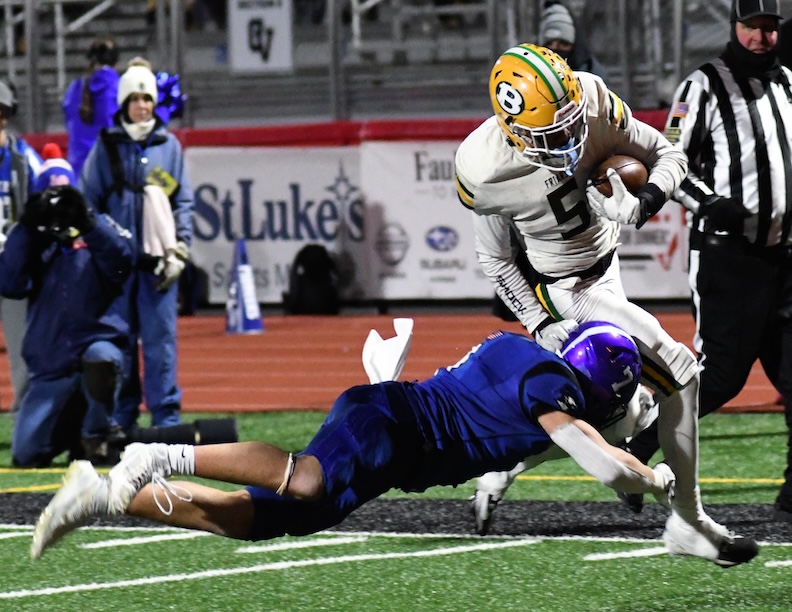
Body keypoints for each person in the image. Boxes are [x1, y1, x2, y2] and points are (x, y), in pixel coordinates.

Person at [32, 321, 745, 567]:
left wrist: (632, 468)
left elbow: (582, 440)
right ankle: (157, 456)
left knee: (264, 518)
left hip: (393, 433)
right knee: (304, 481)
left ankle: (101, 500)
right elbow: (595, 456)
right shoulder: (550, 389)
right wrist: (645, 481)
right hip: (390, 426)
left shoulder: (528, 361)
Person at [455, 43, 754, 565]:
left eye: (572, 124)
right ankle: (689, 523)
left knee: (619, 420)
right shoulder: (483, 168)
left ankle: (503, 466)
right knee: (681, 369)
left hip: (607, 270)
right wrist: (540, 319)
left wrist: (644, 203)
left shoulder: (591, 97)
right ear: (514, 130)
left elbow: (670, 154)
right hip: (566, 291)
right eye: (553, 134)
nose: (570, 139)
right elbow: (497, 261)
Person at [622, 0, 792, 523]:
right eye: (753, 27)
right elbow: (667, 159)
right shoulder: (703, 85)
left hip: (785, 257)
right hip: (728, 257)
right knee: (719, 376)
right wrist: (711, 202)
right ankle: (634, 454)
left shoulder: (787, 80)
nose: (762, 38)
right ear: (735, 26)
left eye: (769, 28)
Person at [80, 60, 193, 432]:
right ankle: (123, 417)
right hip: (115, 269)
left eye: (147, 98)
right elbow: (89, 204)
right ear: (124, 103)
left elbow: (184, 203)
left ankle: (166, 419)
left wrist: (181, 250)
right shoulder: (105, 145)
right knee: (120, 343)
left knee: (162, 344)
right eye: (135, 98)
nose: (142, 105)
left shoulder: (170, 146)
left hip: (159, 265)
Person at [1, 182, 134, 467]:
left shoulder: (101, 226)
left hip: (96, 343)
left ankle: (95, 434)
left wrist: (89, 223)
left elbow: (123, 264)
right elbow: (9, 284)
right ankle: (74, 434)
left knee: (102, 359)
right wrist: (26, 229)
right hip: (52, 363)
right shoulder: (34, 238)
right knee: (26, 456)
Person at [0, 80, 43, 414]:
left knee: (21, 348)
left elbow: (43, 207)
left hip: (12, 266)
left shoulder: (24, 158)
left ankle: (24, 416)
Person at [62, 35, 120, 179]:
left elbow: (68, 119)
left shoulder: (74, 87)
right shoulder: (119, 88)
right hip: (109, 171)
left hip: (79, 168)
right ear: (116, 61)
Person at [539, 1, 608, 81]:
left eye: (562, 44)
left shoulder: (593, 76)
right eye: (549, 43)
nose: (554, 48)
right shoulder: (532, 76)